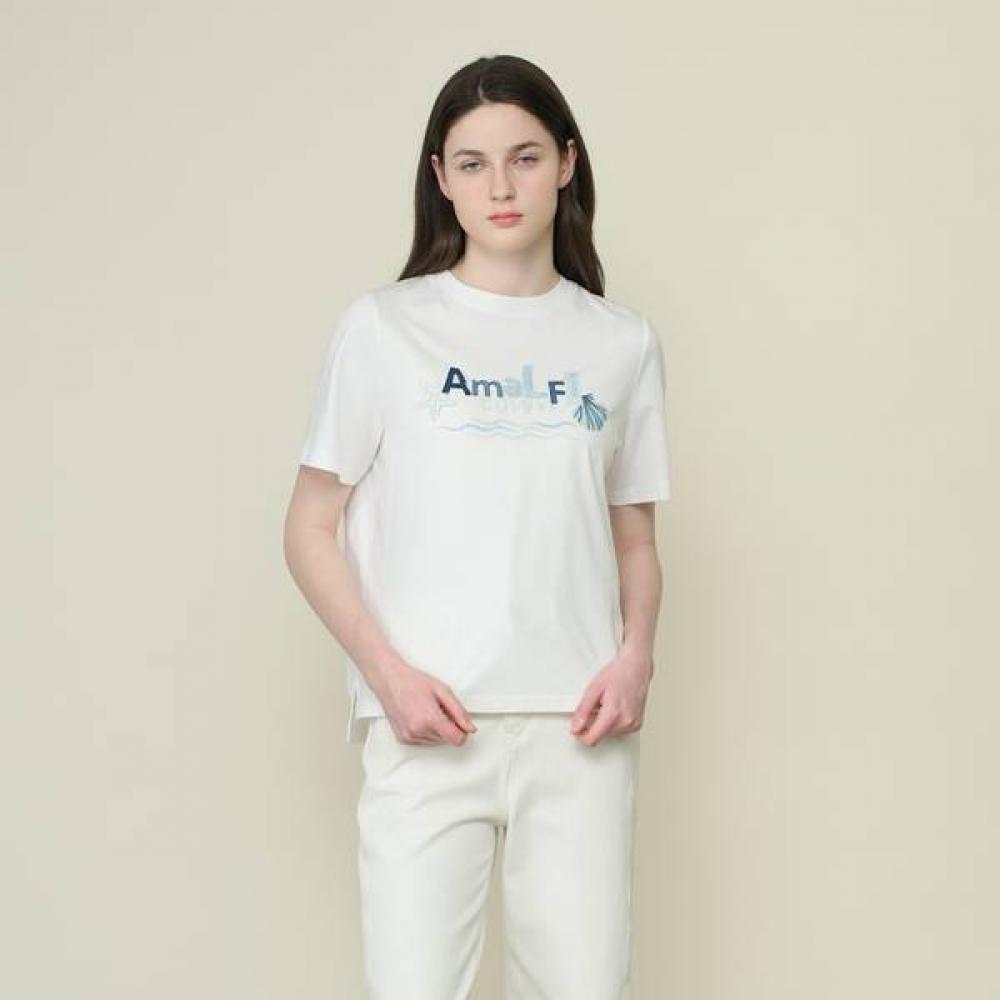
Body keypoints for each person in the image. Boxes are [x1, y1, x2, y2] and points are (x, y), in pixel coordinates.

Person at [284, 53, 672, 1000]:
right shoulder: (384, 329)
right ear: (441, 178)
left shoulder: (620, 342)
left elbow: (634, 536)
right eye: (472, 163)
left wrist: (635, 659)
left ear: (567, 163)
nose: (500, 186)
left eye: (525, 157)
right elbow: (308, 527)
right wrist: (388, 676)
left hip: (579, 729)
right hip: (426, 724)